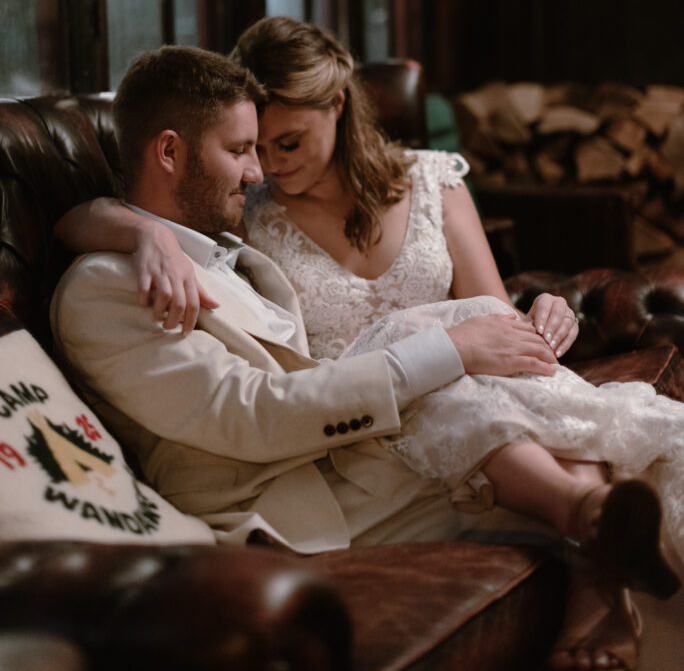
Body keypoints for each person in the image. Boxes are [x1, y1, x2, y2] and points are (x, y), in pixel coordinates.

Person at [53, 40, 682, 671]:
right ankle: (598, 558)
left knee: (499, 373)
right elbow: (249, 414)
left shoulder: (217, 245)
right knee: (534, 415)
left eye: (268, 146)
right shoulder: (107, 289)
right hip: (297, 500)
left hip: (352, 450)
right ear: (169, 151)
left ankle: (594, 545)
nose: (257, 171)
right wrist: (449, 351)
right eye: (242, 149)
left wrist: (145, 229)